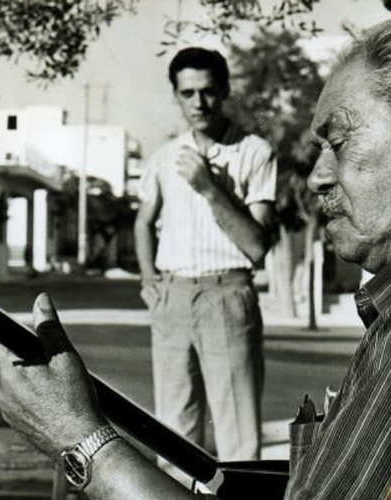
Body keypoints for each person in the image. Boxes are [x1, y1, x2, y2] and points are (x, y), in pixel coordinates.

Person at [0, 15, 391, 499]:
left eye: (338, 143)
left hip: (226, 290)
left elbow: (255, 241)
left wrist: (82, 442)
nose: (317, 177)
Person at [133, 47, 277, 462]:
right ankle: (177, 492)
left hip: (227, 294)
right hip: (173, 297)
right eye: (187, 93)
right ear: (176, 96)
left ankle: (241, 494)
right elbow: (143, 222)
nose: (199, 103)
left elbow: (257, 246)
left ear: (225, 90)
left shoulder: (254, 151)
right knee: (174, 434)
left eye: (208, 91)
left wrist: (210, 188)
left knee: (238, 436)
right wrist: (149, 282)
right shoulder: (165, 157)